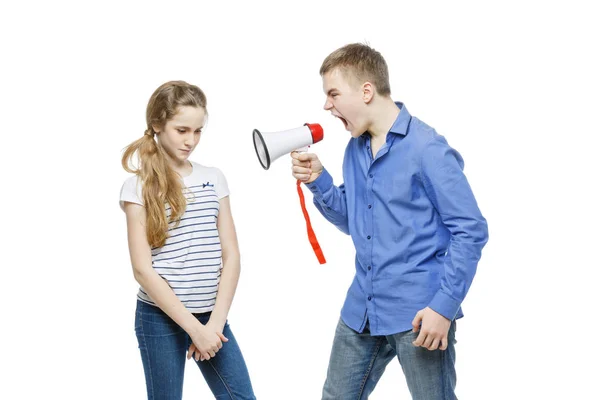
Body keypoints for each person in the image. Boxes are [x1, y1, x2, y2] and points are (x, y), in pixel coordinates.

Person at [291, 43, 489, 399]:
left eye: (333, 93)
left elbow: (470, 230)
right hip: (362, 310)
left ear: (367, 91)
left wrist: (443, 308)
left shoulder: (427, 148)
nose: (326, 105)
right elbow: (355, 221)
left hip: (420, 315)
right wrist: (318, 181)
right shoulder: (356, 147)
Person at [120, 81, 255, 399]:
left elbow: (231, 255)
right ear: (157, 124)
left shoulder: (213, 177)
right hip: (159, 317)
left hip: (212, 314)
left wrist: (214, 326)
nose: (190, 140)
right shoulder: (136, 188)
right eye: (182, 130)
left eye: (197, 131)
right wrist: (194, 329)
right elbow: (142, 270)